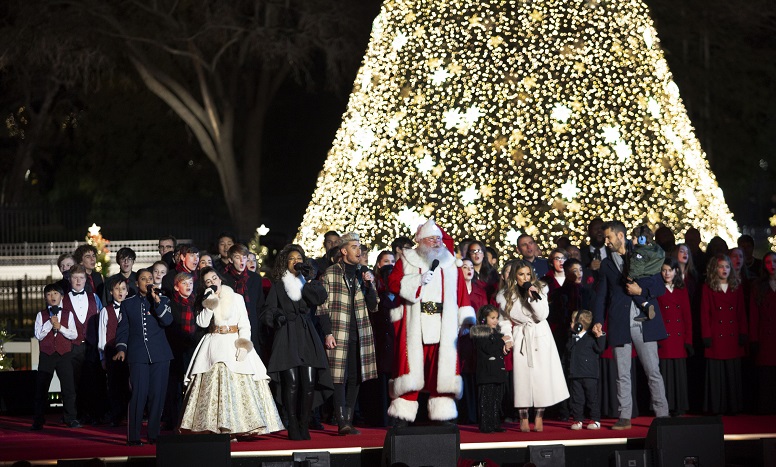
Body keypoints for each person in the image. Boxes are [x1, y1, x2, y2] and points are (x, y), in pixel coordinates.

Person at [387, 219, 476, 425]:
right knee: (410, 366)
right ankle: (403, 414)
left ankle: (442, 413)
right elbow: (392, 283)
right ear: (421, 241)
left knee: (442, 367)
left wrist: (466, 320)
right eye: (431, 239)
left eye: (438, 239)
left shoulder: (450, 262)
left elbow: (461, 293)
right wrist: (417, 281)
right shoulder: (407, 260)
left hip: (443, 322)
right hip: (415, 321)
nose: (436, 243)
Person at [180, 267, 283, 438]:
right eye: (208, 281)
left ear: (220, 279)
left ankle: (238, 427)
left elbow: (245, 324)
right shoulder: (204, 299)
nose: (213, 282)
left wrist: (244, 346)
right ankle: (214, 427)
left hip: (233, 343)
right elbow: (202, 324)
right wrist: (209, 304)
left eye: (214, 278)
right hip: (213, 345)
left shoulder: (237, 298)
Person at [592, 220, 669, 430]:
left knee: (653, 370)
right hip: (620, 322)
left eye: (608, 237)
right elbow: (601, 296)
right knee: (622, 372)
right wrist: (598, 320)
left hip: (645, 322)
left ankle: (662, 414)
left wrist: (640, 292)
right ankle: (624, 415)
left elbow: (659, 287)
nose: (605, 241)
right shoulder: (607, 264)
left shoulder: (644, 253)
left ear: (620, 236)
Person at [261, 245, 333, 440]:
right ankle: (292, 422)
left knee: (309, 382)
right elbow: (268, 309)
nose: (295, 261)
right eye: (291, 258)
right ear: (285, 262)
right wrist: (277, 317)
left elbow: (319, 298)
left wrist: (309, 279)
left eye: (298, 258)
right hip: (286, 334)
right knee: (291, 382)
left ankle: (304, 422)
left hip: (307, 334)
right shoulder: (278, 284)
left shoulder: (307, 282)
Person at [316, 232, 378, 435]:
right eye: (354, 247)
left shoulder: (363, 273)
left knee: (356, 376)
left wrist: (369, 285)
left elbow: (373, 305)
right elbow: (321, 307)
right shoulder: (331, 274)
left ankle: (349, 420)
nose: (358, 251)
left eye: (359, 247)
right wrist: (328, 333)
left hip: (359, 332)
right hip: (339, 331)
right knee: (338, 377)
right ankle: (341, 421)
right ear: (344, 251)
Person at [497, 260, 568, 432]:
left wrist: (532, 296)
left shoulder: (539, 290)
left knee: (541, 378)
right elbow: (504, 320)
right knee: (523, 378)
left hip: (540, 334)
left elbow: (543, 314)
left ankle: (539, 416)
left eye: (528, 274)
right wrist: (507, 338)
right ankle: (523, 416)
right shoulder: (504, 295)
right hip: (521, 335)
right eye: (521, 275)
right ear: (515, 276)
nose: (525, 278)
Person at [113, 269, 173, 446]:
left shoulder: (163, 300)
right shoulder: (128, 303)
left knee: (157, 395)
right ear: (136, 283)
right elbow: (123, 330)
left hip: (161, 354)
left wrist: (157, 302)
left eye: (150, 278)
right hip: (138, 354)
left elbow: (167, 321)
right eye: (143, 278)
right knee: (139, 394)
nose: (147, 281)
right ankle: (133, 436)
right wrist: (121, 349)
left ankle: (154, 435)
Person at [700, 253, 747, 415]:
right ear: (715, 269)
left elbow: (741, 313)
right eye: (721, 266)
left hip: (732, 336)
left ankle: (733, 407)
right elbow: (704, 313)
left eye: (727, 266)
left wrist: (743, 333)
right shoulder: (708, 287)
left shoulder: (736, 287)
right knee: (716, 373)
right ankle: (716, 407)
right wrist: (706, 335)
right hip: (716, 336)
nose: (724, 269)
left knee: (732, 373)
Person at [32, 283, 80, 430]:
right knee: (41, 388)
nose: (52, 297)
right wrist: (49, 324)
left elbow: (74, 334)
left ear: (61, 297)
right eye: (49, 294)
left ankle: (70, 418)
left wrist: (60, 328)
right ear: (45, 297)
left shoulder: (68, 314)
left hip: (64, 354)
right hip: (47, 355)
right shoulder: (41, 315)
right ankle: (38, 420)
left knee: (68, 388)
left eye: (55, 294)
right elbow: (38, 335)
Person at [61, 264, 105, 425]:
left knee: (92, 382)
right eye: (75, 278)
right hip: (72, 347)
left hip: (92, 347)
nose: (78, 281)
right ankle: (73, 416)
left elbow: (102, 322)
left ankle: (93, 415)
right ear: (69, 279)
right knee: (73, 384)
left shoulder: (94, 297)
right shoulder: (62, 299)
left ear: (86, 279)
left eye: (81, 278)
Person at [360, 250, 398, 427]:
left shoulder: (399, 295)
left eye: (392, 261)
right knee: (380, 382)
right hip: (379, 342)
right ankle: (379, 416)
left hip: (396, 343)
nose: (389, 264)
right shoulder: (374, 290)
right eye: (386, 261)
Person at [162, 272, 202, 431]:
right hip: (176, 350)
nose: (188, 286)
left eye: (190, 283)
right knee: (176, 387)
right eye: (184, 283)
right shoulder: (171, 304)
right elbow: (171, 328)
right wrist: (187, 339)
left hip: (194, 349)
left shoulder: (197, 304)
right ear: (176, 286)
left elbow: (201, 325)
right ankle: (175, 421)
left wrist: (196, 340)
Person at [656, 258, 693, 416]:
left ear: (675, 271)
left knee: (679, 374)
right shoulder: (658, 289)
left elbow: (687, 316)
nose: (666, 273)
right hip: (664, 338)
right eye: (664, 270)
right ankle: (666, 406)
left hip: (678, 338)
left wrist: (688, 340)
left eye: (669, 270)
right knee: (665, 374)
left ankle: (680, 406)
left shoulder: (681, 289)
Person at [222, 244, 266, 355]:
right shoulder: (223, 278)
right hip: (231, 325)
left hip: (252, 324)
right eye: (238, 257)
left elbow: (259, 305)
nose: (242, 260)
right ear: (231, 260)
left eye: (244, 257)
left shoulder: (255, 278)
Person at [97, 277, 130, 427]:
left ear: (127, 291)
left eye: (123, 289)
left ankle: (130, 414)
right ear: (111, 292)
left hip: (130, 352)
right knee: (115, 385)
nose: (120, 292)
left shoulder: (132, 308)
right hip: (111, 352)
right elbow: (102, 335)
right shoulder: (106, 310)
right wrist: (103, 357)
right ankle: (116, 415)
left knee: (130, 384)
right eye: (117, 289)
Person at [470, 304, 508, 433]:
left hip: (497, 371)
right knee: (486, 400)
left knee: (497, 400)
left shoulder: (496, 333)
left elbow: (496, 350)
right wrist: (501, 342)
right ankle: (486, 425)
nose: (495, 321)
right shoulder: (480, 333)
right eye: (492, 318)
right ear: (484, 318)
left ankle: (495, 423)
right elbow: (488, 349)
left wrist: (504, 348)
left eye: (496, 318)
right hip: (486, 373)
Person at [567, 310, 605, 430]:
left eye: (573, 322)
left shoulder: (591, 338)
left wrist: (600, 336)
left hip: (589, 374)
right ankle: (578, 419)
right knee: (577, 399)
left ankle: (595, 419)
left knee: (591, 398)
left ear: (580, 324)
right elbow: (567, 351)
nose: (570, 324)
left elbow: (600, 348)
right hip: (575, 374)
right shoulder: (572, 338)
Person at [749, 251, 776, 414]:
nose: (771, 265)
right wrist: (753, 339)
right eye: (767, 262)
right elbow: (754, 315)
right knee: (766, 374)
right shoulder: (758, 287)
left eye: (774, 261)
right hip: (765, 336)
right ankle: (766, 408)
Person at [626, 225, 666, 322]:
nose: (631, 241)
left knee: (634, 292)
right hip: (654, 277)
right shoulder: (657, 250)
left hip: (643, 278)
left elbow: (636, 267)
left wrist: (630, 277)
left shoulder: (639, 252)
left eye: (634, 238)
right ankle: (645, 312)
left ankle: (646, 306)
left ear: (641, 239)